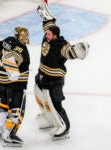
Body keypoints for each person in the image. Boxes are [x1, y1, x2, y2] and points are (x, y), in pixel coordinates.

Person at [34, 2, 89, 141]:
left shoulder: (61, 45)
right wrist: (45, 14)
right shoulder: (48, 35)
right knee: (40, 98)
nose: (46, 35)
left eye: (49, 34)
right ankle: (48, 119)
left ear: (55, 36)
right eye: (47, 33)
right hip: (41, 76)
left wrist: (78, 50)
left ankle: (64, 127)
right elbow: (48, 23)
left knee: (55, 104)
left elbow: (69, 52)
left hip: (54, 81)